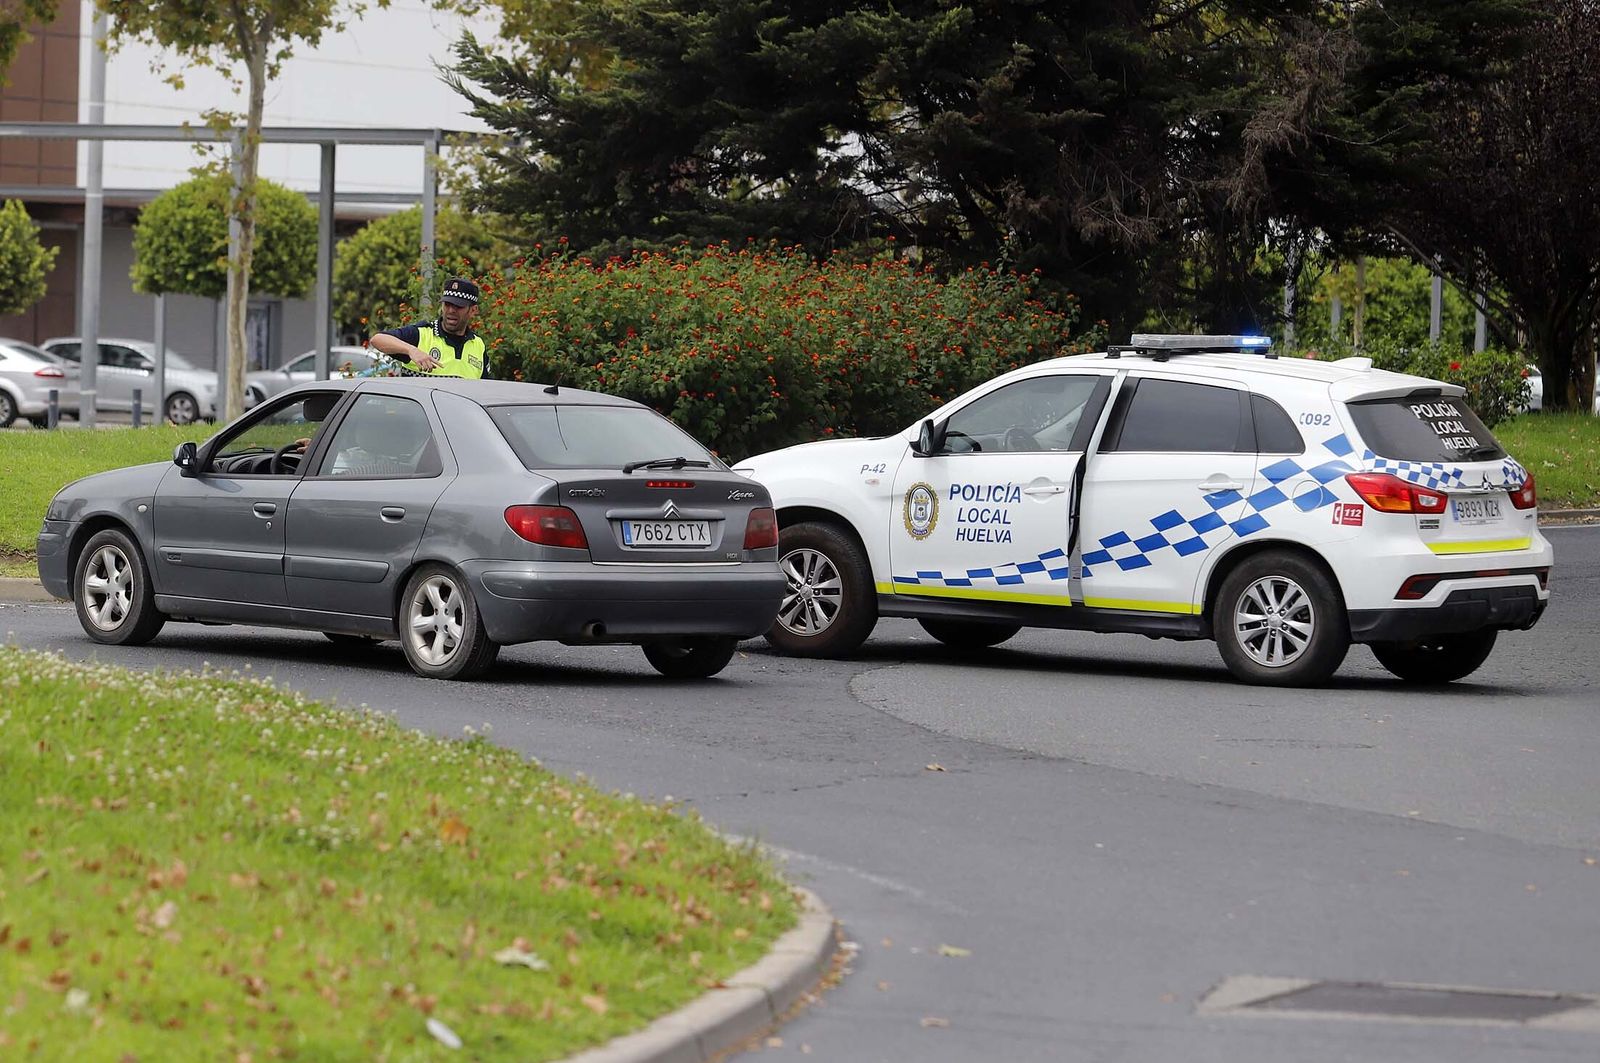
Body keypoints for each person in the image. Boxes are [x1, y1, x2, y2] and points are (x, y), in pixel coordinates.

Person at [368, 277, 489, 379]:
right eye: (447, 304)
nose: (451, 310)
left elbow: (484, 390)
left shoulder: (478, 345)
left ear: (473, 310)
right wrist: (411, 350)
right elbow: (377, 339)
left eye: (458, 306)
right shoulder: (422, 334)